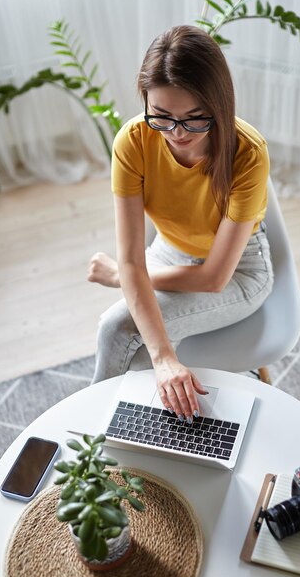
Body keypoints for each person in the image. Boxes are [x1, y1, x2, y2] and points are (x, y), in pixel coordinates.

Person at [88, 25, 273, 425]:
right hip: (170, 251)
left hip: (238, 270)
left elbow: (212, 278)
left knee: (117, 329)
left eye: (194, 119)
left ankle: (95, 437)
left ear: (218, 106)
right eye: (162, 117)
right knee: (133, 342)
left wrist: (126, 275)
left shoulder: (248, 153)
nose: (176, 134)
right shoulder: (134, 142)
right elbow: (135, 260)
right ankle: (127, 436)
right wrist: (163, 355)